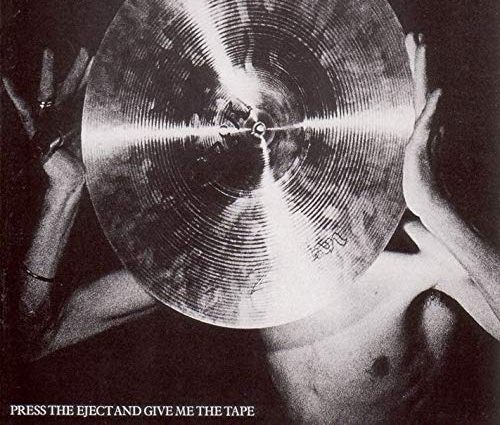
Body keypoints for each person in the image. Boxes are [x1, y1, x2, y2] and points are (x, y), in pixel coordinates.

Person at [3, 32, 499, 423]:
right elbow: (38, 339)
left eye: (265, 113)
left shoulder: (416, 249)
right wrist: (63, 193)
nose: (250, 126)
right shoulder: (223, 268)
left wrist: (431, 203)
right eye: (235, 116)